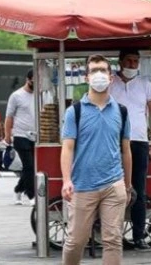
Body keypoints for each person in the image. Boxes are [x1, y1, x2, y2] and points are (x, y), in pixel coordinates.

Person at [61, 54, 132, 265]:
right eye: (94, 70)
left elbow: (126, 150)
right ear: (86, 77)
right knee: (76, 241)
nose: (98, 74)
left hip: (113, 183)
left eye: (103, 70)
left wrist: (127, 185)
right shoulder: (75, 111)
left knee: (113, 240)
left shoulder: (121, 111)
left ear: (111, 78)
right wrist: (67, 180)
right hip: (82, 186)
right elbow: (67, 147)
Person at [109, 48, 151, 250]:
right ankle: (109, 234)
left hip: (139, 142)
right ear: (120, 61)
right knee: (110, 188)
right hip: (113, 141)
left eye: (136, 61)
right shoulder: (110, 83)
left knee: (138, 189)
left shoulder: (145, 85)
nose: (133, 65)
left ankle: (139, 236)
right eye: (129, 61)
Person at [4, 69, 36, 206]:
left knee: (33, 167)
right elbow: (9, 116)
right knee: (28, 165)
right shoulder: (16, 96)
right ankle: (31, 195)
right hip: (20, 134)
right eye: (33, 80)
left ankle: (18, 189)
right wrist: (7, 135)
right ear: (27, 80)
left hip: (36, 135)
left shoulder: (41, 94)